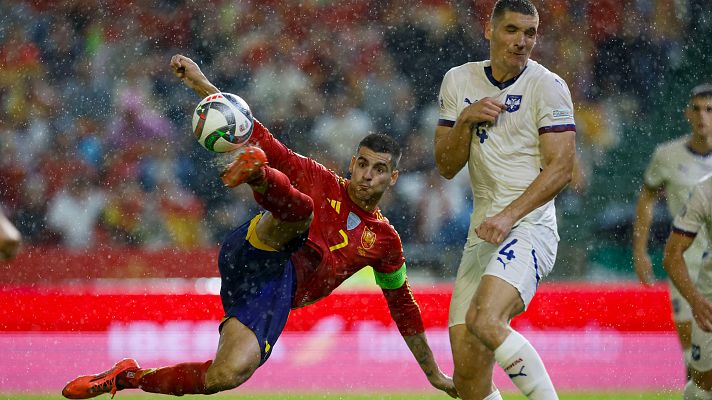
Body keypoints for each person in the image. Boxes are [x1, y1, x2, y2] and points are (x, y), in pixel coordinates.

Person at [61, 54, 458, 399]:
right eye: (363, 164)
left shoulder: (385, 242)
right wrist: (200, 83)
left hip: (271, 294)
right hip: (258, 248)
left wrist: (433, 374)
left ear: (393, 178)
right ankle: (257, 176)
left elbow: (403, 307)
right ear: (352, 164)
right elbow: (254, 130)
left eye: (380, 169)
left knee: (227, 374)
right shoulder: (319, 178)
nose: (368, 175)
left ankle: (127, 377)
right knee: (301, 213)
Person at [434, 1, 576, 399]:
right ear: (489, 30)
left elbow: (562, 168)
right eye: (512, 30)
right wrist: (465, 120)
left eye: (530, 33)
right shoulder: (458, 81)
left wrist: (509, 214)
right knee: (468, 379)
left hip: (529, 226)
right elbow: (445, 166)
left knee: (486, 318)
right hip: (484, 231)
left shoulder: (547, 86)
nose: (522, 42)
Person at [633, 83, 712, 377]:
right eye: (697, 109)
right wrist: (640, 251)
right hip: (685, 265)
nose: (703, 116)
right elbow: (647, 199)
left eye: (710, 109)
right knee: (694, 360)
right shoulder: (667, 155)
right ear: (686, 114)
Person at [663, 175, 712, 399]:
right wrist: (695, 301)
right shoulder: (705, 191)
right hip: (709, 299)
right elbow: (672, 255)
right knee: (702, 388)